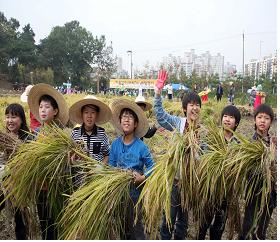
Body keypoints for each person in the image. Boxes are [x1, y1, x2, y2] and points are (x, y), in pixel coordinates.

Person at [154, 70, 202, 240]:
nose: (194, 107)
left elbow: (206, 158)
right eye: (191, 104)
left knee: (183, 221)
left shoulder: (204, 131)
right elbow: (160, 116)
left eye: (197, 104)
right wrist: (158, 92)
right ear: (184, 108)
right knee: (168, 219)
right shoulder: (177, 123)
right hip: (175, 181)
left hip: (191, 184)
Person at [109, 98, 155, 239]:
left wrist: (143, 178)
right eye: (124, 117)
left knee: (136, 230)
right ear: (120, 121)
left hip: (135, 196)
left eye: (130, 118)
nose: (126, 120)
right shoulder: (115, 145)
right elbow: (110, 167)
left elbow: (153, 167)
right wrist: (116, 175)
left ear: (135, 124)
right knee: (122, 229)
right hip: (120, 195)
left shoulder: (141, 147)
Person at [27, 83, 69, 240]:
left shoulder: (62, 135)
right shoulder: (36, 134)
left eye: (47, 107)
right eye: (41, 107)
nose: (43, 110)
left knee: (55, 225)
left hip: (56, 188)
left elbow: (66, 162)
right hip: (40, 187)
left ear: (55, 111)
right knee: (44, 224)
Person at [197, 105, 241, 240]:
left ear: (236, 123)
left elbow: (238, 167)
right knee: (204, 223)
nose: (227, 120)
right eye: (225, 116)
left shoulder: (238, 143)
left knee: (219, 225)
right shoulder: (212, 137)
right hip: (210, 189)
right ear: (221, 119)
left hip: (227, 191)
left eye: (231, 117)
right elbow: (201, 156)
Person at [239, 104, 277, 240]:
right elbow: (247, 170)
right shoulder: (250, 144)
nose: (262, 120)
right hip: (254, 192)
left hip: (270, 193)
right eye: (259, 117)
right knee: (248, 225)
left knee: (262, 229)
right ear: (255, 120)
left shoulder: (274, 142)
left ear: (271, 121)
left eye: (266, 118)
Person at [0, 103, 30, 239]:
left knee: (20, 220)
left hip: (20, 185)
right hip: (3, 184)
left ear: (22, 119)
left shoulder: (28, 140)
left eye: (14, 117)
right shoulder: (3, 138)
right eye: (7, 117)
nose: (10, 120)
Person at [69, 95, 111, 164]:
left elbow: (107, 154)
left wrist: (101, 166)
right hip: (79, 172)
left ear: (97, 115)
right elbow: (69, 153)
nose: (89, 116)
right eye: (86, 112)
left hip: (97, 173)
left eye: (93, 112)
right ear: (82, 115)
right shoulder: (75, 133)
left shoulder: (102, 134)